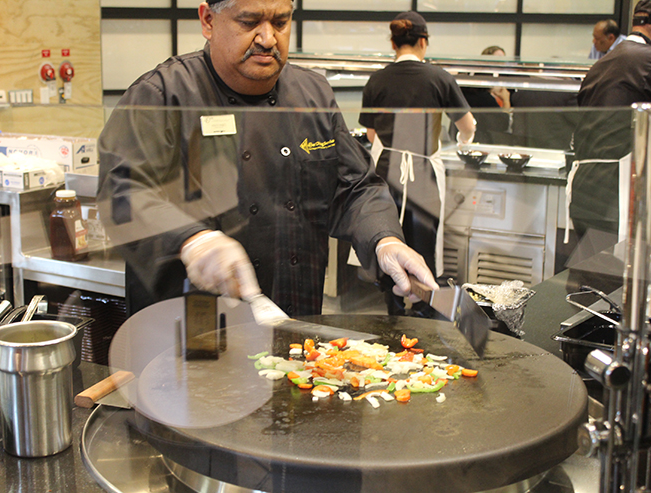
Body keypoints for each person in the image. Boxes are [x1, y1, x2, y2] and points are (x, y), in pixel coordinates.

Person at [97, 0, 437, 317]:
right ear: (208, 20)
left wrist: (384, 239)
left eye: (280, 22)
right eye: (249, 22)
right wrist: (190, 239)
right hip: (191, 331)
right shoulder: (162, 95)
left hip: (294, 317)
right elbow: (122, 192)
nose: (267, 38)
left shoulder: (312, 94)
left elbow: (355, 187)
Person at [358, 10, 475, 317]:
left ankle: (394, 309)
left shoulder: (378, 79)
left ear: (394, 43)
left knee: (389, 236)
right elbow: (468, 125)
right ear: (423, 42)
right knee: (423, 242)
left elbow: (371, 133)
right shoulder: (439, 78)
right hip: (423, 174)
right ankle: (425, 312)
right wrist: (462, 143)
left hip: (385, 173)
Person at [569, 0, 651, 253]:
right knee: (617, 280)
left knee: (592, 277)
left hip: (584, 192)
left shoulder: (604, 63)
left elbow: (618, 128)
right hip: (617, 197)